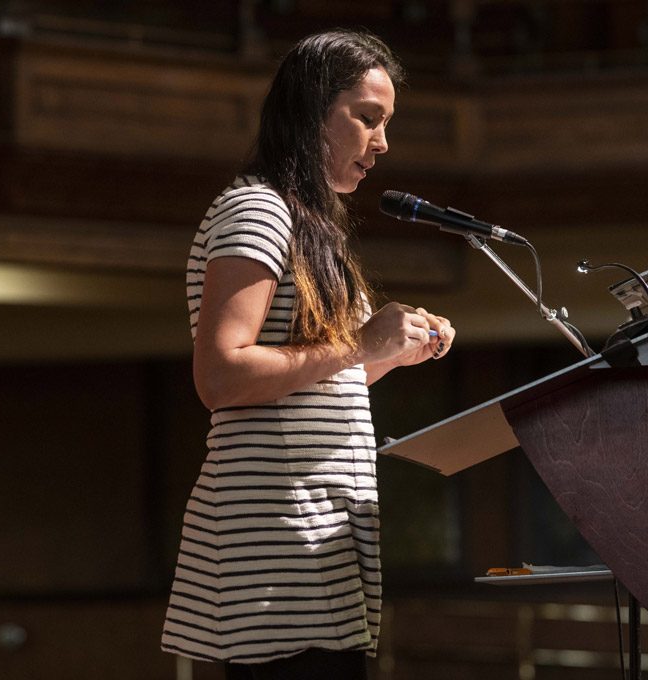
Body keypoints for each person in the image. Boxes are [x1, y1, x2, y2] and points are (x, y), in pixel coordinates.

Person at [160, 29, 454, 679]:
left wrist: (389, 354)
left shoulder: (308, 226)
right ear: (312, 110)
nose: (382, 143)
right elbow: (221, 375)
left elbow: (315, 383)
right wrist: (361, 341)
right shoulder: (256, 211)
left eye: (386, 123)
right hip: (276, 548)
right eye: (368, 118)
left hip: (318, 544)